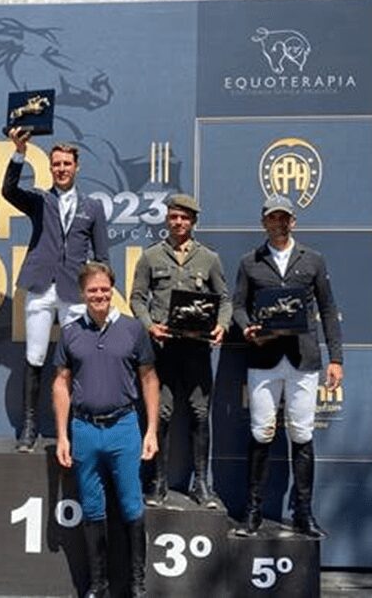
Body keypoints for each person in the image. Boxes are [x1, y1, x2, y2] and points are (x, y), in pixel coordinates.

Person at [232, 195, 344, 538]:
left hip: (303, 360)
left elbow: (328, 309)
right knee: (261, 433)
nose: (278, 223)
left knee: (302, 434)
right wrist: (247, 328)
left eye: (284, 218)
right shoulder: (250, 262)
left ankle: (303, 513)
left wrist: (336, 358)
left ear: (293, 221)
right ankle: (253, 512)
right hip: (264, 359)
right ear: (263, 222)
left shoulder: (313, 260)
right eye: (272, 218)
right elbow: (238, 306)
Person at [53, 262, 159, 598]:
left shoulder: (133, 329)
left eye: (104, 288)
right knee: (92, 508)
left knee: (132, 506)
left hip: (124, 427)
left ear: (112, 290)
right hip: (84, 429)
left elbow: (149, 379)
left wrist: (151, 430)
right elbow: (61, 383)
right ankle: (98, 585)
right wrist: (62, 435)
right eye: (92, 290)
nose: (99, 295)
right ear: (82, 293)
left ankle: (137, 585)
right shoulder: (70, 332)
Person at [3, 127, 110, 452]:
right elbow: (9, 190)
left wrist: (100, 291)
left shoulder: (93, 206)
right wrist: (19, 152)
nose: (62, 169)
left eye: (67, 164)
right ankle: (29, 427)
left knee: (78, 358)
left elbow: (102, 257)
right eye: (57, 164)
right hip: (40, 286)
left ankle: (78, 425)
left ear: (77, 167)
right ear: (50, 167)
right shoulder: (40, 200)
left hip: (74, 292)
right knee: (34, 356)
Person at [130, 194, 231, 509]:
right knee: (161, 413)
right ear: (167, 219)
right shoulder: (151, 256)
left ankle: (201, 484)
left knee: (200, 413)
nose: (178, 222)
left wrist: (222, 325)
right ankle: (158, 482)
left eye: (184, 218)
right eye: (173, 217)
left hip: (197, 348)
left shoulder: (209, 258)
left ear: (193, 221)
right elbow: (136, 298)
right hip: (163, 348)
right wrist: (149, 325)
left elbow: (224, 299)